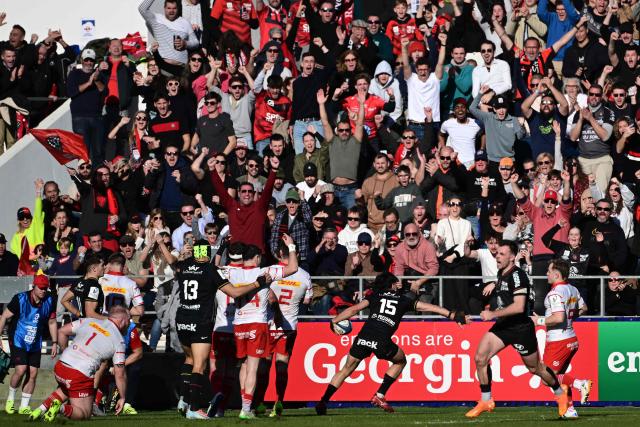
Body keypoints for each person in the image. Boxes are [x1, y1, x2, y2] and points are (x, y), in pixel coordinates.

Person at [315, 272, 468, 415]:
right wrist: (452, 315)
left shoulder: (374, 296)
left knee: (345, 369)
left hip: (364, 335)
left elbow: (354, 309)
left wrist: (334, 320)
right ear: (393, 285)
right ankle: (380, 394)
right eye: (396, 283)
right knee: (401, 361)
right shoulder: (403, 300)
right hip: (381, 339)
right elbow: (429, 307)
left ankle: (323, 401)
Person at [466, 240, 570, 419]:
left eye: (501, 254)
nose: (497, 256)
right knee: (480, 357)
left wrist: (493, 314)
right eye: (497, 253)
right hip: (504, 326)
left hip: (521, 328)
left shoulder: (517, 275)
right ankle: (486, 400)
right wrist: (493, 284)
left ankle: (560, 394)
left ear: (512, 257)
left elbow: (519, 307)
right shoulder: (502, 273)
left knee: (536, 368)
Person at [174, 240, 273, 419]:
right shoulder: (212, 270)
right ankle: (196, 408)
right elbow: (235, 293)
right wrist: (258, 283)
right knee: (206, 366)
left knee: (194, 361)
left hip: (184, 320)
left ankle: (184, 399)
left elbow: (174, 264)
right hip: (209, 322)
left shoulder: (186, 266)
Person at [226, 237, 298, 420]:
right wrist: (291, 246)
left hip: (238, 323)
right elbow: (293, 268)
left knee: (243, 366)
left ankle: (245, 406)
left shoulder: (233, 272)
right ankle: (246, 408)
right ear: (257, 257)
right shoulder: (265, 271)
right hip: (257, 323)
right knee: (252, 367)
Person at [29, 306, 131, 421]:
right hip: (79, 373)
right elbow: (120, 373)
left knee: (66, 389)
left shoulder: (89, 321)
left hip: (61, 366)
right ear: (122, 321)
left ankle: (40, 410)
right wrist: (122, 397)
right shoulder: (119, 340)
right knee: (85, 414)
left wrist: (66, 353)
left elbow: (61, 331)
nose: (129, 324)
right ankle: (60, 408)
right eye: (129, 320)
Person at [252, 240, 312, 417]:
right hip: (289, 326)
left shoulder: (270, 271)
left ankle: (260, 403)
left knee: (264, 365)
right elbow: (307, 301)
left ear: (278, 254)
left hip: (269, 325)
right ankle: (279, 401)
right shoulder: (304, 275)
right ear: (296, 255)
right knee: (282, 365)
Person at [532, 258, 593, 419]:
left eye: (549, 270)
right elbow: (584, 308)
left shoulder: (555, 293)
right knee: (560, 377)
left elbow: (558, 318)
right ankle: (570, 410)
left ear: (557, 274)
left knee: (547, 378)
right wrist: (569, 319)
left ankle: (581, 384)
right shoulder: (572, 289)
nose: (546, 273)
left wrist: (539, 321)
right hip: (571, 338)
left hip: (559, 341)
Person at [0, 274, 57, 415]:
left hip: (35, 341)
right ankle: (10, 400)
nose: (43, 291)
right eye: (41, 288)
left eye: (46, 288)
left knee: (33, 373)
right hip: (18, 338)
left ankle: (24, 406)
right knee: (20, 370)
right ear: (34, 286)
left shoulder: (50, 300)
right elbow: (4, 316)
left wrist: (55, 342)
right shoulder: (20, 299)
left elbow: (52, 322)